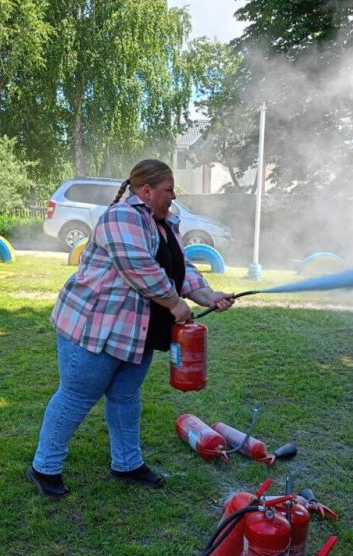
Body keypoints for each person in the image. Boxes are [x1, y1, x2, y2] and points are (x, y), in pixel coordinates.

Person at [27, 159, 235, 498]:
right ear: (147, 191)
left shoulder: (167, 222)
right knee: (76, 397)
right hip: (94, 329)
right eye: (168, 190)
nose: (173, 196)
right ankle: (44, 467)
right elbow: (139, 266)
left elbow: (182, 268)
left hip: (135, 333)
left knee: (125, 398)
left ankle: (127, 464)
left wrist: (208, 294)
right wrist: (174, 303)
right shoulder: (122, 217)